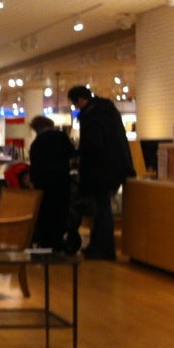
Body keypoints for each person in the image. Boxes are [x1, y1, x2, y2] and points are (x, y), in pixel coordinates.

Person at [67, 85, 136, 260]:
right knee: (101, 209)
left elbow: (94, 144)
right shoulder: (107, 111)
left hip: (101, 171)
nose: (76, 108)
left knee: (102, 210)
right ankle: (97, 246)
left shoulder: (92, 116)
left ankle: (104, 249)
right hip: (117, 168)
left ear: (81, 100)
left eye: (75, 104)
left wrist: (79, 153)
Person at [28, 115, 76, 251]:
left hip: (43, 182)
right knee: (60, 211)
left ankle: (46, 243)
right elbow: (72, 154)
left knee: (45, 212)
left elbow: (34, 165)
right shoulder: (62, 137)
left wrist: (33, 181)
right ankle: (58, 242)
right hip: (61, 180)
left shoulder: (37, 143)